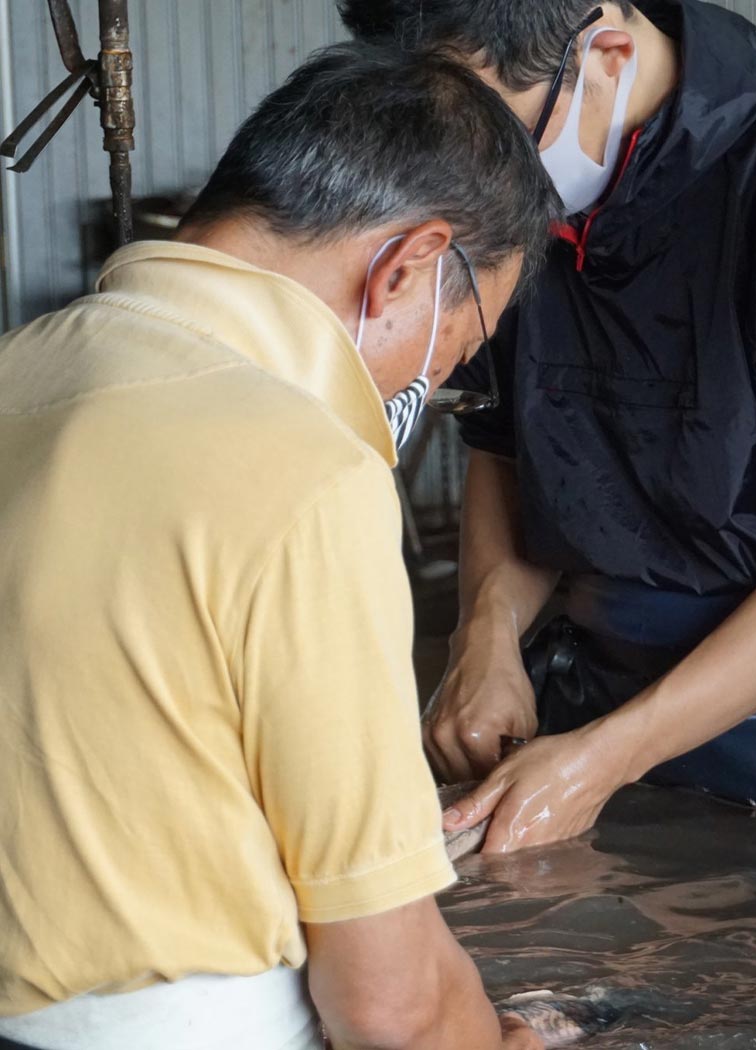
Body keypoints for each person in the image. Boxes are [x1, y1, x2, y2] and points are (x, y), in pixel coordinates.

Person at [0, 44, 555, 1050]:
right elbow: (391, 1006)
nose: (426, 382)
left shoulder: (17, 371)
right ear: (409, 267)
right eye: (455, 348)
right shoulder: (304, 472)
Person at [339, 0, 756, 848]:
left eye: (494, 138)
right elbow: (506, 445)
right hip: (584, 684)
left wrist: (607, 758)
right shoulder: (522, 202)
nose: (472, 183)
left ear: (604, 53)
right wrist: (484, 635)